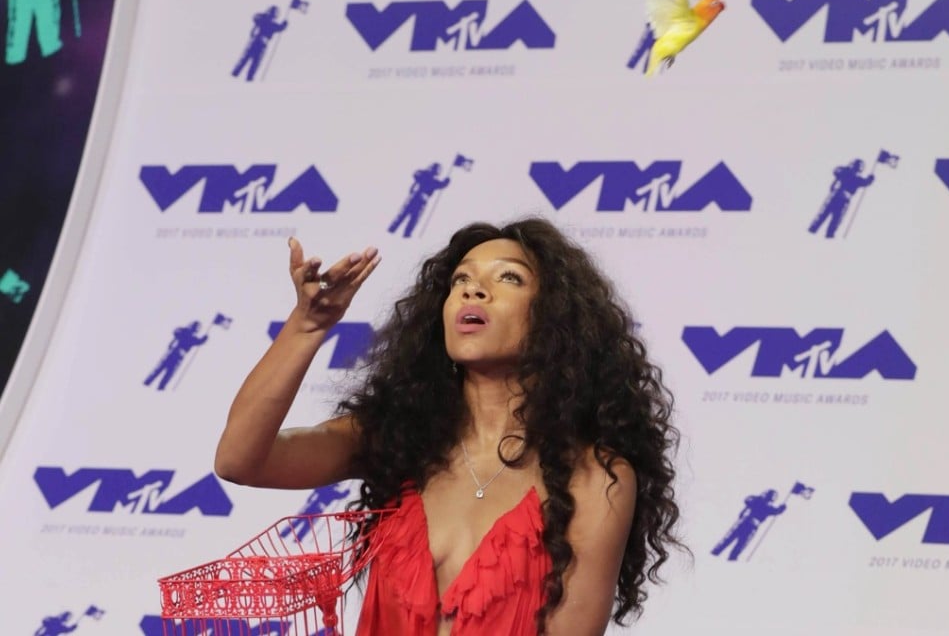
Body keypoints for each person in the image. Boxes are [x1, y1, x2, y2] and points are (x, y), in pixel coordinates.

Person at [215, 217, 684, 635]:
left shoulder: (595, 477)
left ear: (555, 316)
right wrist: (308, 326)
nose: (472, 290)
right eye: (461, 279)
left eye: (509, 278)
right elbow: (239, 460)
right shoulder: (398, 440)